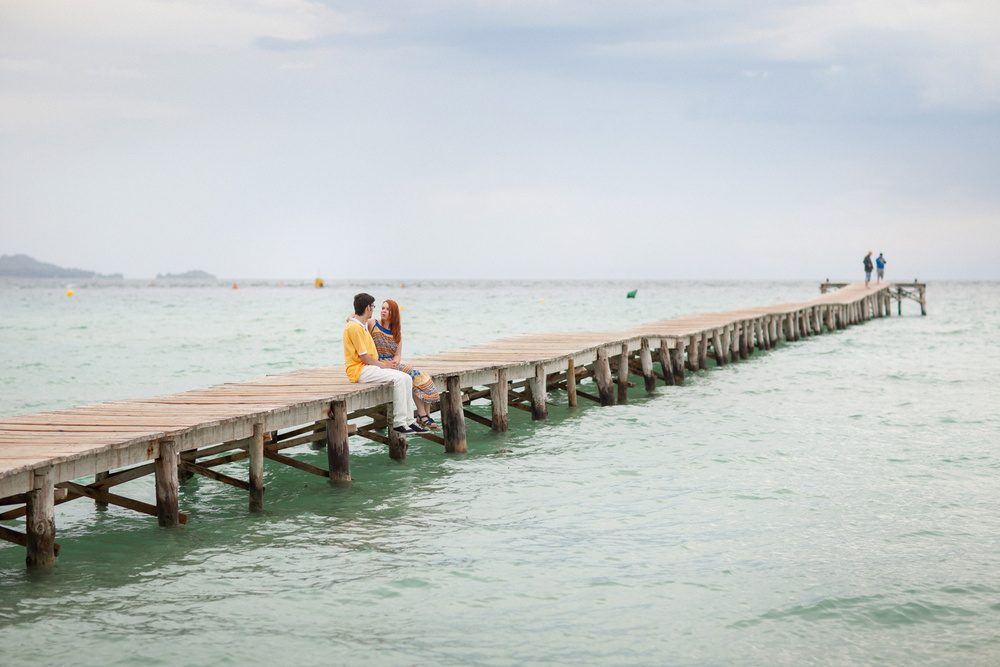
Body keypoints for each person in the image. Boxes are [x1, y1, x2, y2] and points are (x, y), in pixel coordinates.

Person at [343, 293, 426, 434]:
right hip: (360, 370)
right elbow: (364, 357)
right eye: (374, 307)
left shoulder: (360, 325)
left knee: (406, 378)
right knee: (399, 379)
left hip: (368, 367)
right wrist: (384, 365)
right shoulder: (355, 327)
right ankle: (399, 422)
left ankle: (409, 421)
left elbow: (354, 317)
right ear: (368, 307)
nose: (376, 310)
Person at [367, 300, 442, 431]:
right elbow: (351, 319)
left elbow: (397, 354)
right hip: (378, 364)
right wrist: (363, 305)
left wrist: (395, 361)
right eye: (382, 308)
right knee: (414, 374)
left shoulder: (397, 333)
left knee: (418, 378)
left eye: (387, 309)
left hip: (393, 365)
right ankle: (423, 416)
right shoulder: (373, 323)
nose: (383, 311)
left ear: (394, 313)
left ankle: (425, 415)